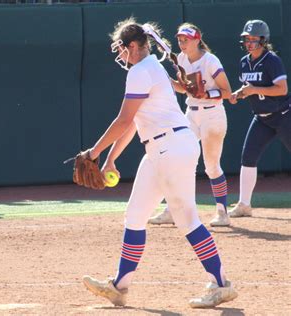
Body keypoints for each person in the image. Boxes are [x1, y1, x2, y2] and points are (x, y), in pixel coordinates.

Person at [81, 18, 237, 308]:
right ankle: (119, 285)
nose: (120, 54)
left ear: (132, 47)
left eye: (121, 48)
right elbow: (132, 125)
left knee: (187, 219)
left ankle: (221, 283)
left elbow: (123, 120)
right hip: (159, 149)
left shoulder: (141, 70)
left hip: (170, 147)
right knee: (135, 215)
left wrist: (93, 151)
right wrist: (110, 159)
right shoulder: (153, 67)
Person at [148, 23, 233, 227]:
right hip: (190, 114)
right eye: (180, 39)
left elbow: (227, 92)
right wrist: (166, 79)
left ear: (197, 39)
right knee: (177, 160)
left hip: (212, 115)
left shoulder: (210, 61)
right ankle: (171, 210)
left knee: (211, 166)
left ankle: (222, 213)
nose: (182, 43)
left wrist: (207, 94)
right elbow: (184, 89)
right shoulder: (182, 59)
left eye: (186, 39)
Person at [228, 20, 290, 217]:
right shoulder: (244, 62)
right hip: (261, 118)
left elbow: (282, 89)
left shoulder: (272, 60)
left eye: (254, 38)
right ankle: (244, 204)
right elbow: (249, 87)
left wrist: (253, 89)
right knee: (248, 157)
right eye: (247, 38)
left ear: (264, 40)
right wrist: (238, 94)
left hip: (283, 115)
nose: (250, 42)